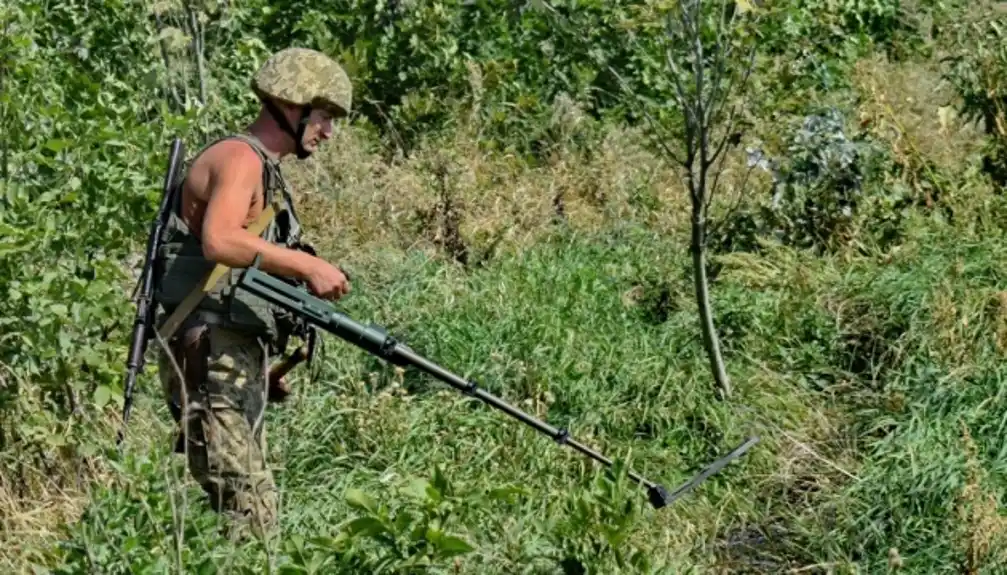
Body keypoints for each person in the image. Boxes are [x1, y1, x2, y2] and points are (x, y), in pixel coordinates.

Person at [152, 47, 352, 539]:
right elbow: (219, 239)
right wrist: (307, 264)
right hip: (205, 354)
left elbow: (232, 276)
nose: (328, 132)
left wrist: (256, 365)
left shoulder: (263, 167)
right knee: (252, 516)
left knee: (247, 510)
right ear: (292, 106)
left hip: (227, 354)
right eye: (323, 116)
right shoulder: (241, 158)